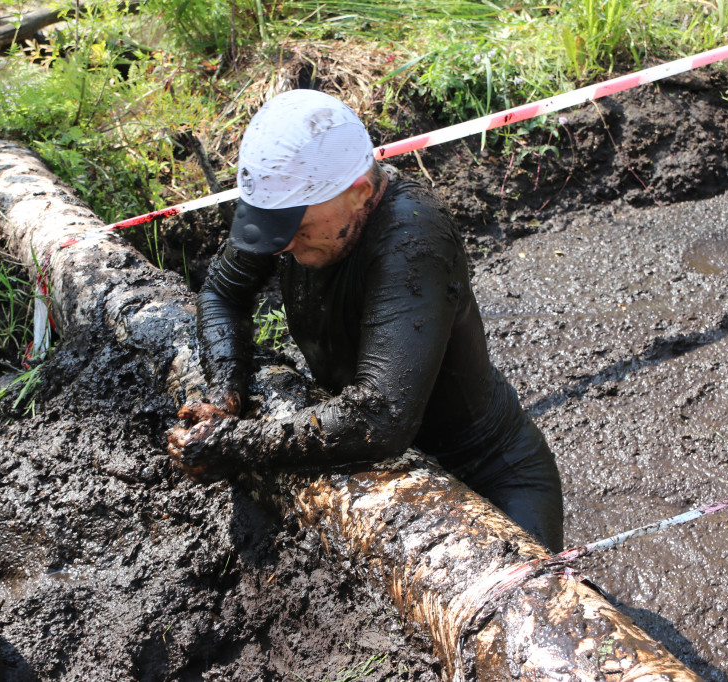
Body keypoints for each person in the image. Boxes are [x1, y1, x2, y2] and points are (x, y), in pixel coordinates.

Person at [167, 89, 564, 551]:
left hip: (490, 471)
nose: (277, 247)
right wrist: (224, 397)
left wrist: (237, 444)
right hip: (386, 466)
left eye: (294, 229)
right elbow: (220, 292)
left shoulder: (412, 235)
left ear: (358, 192)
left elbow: (381, 414)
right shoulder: (291, 201)